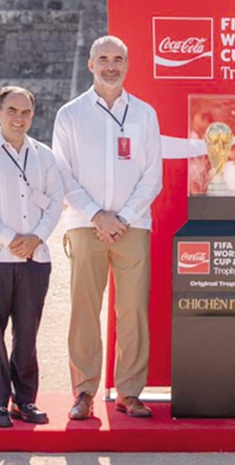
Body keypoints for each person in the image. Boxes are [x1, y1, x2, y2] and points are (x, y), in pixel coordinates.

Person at [52, 36, 163, 420]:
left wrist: (124, 217)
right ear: (91, 64)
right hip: (86, 225)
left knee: (133, 310)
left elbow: (153, 175)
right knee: (84, 309)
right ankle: (84, 391)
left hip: (134, 226)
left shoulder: (144, 114)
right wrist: (98, 216)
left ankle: (129, 392)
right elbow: (62, 172)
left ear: (127, 64)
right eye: (103, 59)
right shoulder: (70, 114)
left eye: (118, 59)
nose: (111, 66)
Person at [0, 85, 64, 428]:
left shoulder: (44, 156)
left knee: (28, 333)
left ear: (33, 115)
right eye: (12, 111)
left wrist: (36, 238)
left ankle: (25, 400)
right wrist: (10, 239)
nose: (19, 118)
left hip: (36, 258)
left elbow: (55, 202)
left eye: (26, 112)